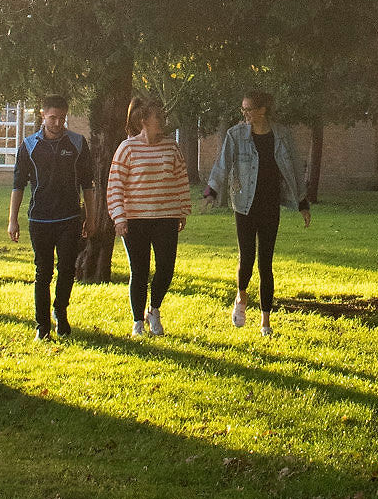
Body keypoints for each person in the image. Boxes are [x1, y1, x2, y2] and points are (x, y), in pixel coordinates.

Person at [203, 86, 310, 337]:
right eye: (243, 109)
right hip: (244, 204)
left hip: (270, 204)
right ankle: (241, 297)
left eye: (249, 109)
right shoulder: (236, 135)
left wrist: (302, 203)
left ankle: (265, 321)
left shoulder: (282, 135)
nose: (245, 114)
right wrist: (210, 193)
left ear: (263, 110)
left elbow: (294, 168)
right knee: (247, 256)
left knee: (266, 262)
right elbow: (222, 165)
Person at [7, 94, 92, 340]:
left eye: (62, 118)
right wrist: (13, 220)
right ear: (43, 116)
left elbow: (88, 184)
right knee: (43, 273)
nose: (57, 123)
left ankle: (60, 310)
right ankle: (42, 326)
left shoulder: (77, 143)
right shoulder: (29, 146)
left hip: (70, 218)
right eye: (52, 118)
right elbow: (17, 185)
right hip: (40, 219)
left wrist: (91, 216)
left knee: (67, 269)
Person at [106, 94, 190, 339]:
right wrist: (119, 217)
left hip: (165, 218)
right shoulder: (127, 148)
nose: (162, 121)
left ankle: (154, 309)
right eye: (158, 117)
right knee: (139, 271)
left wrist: (181, 210)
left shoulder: (171, 147)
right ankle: (137, 322)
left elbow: (180, 179)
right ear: (143, 120)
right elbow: (115, 185)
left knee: (166, 267)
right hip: (135, 220)